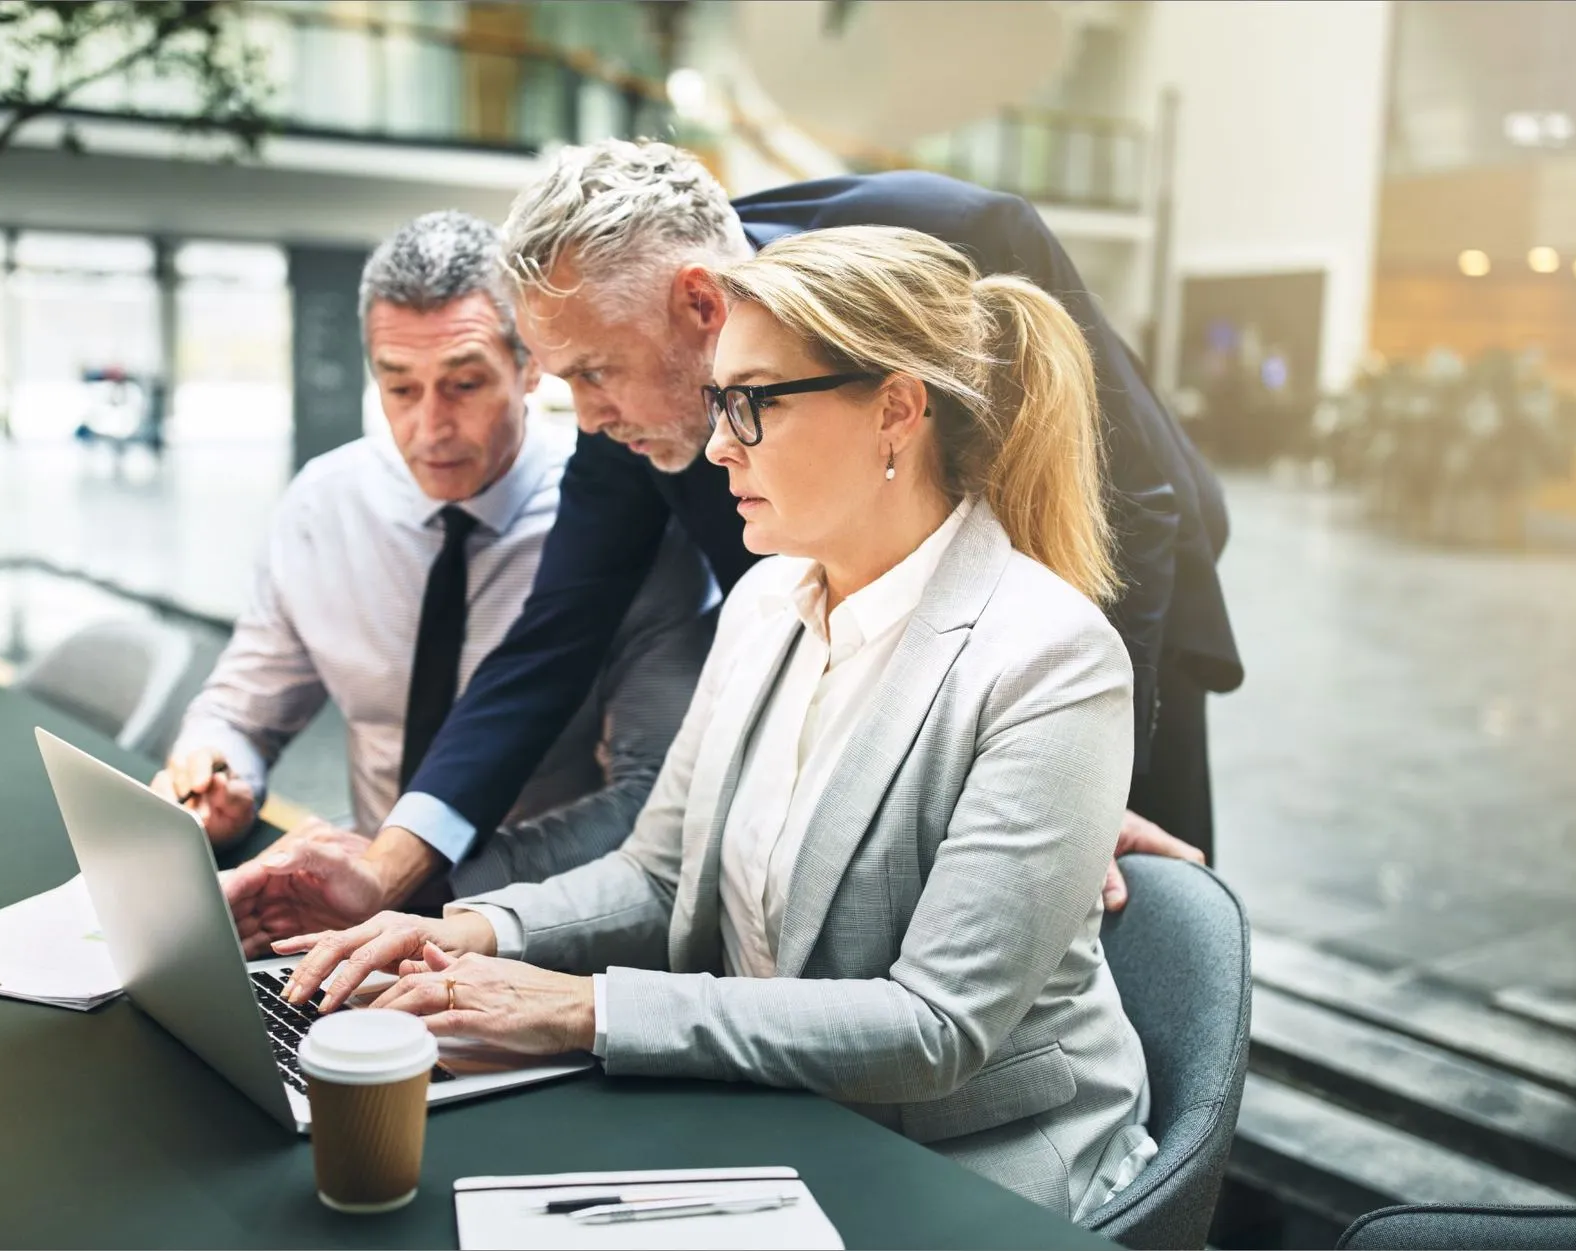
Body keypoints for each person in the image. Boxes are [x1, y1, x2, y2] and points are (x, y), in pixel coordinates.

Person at [279, 226, 1158, 1220]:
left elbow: (932, 1029)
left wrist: (582, 1009)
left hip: (968, 1165)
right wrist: (463, 934)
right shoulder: (762, 603)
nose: (714, 446)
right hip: (771, 1117)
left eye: (750, 405)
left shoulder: (1048, 658)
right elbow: (658, 875)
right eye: (713, 403)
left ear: (895, 412)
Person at [254, 141, 1241, 930]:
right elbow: (553, 636)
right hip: (876, 636)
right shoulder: (631, 396)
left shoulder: (952, 239)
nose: (586, 417)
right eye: (565, 382)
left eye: (596, 372)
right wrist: (390, 865)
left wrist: (1079, 771)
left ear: (698, 303)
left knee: (1120, 927)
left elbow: (1130, 510)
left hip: (1113, 622)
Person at [151, 210, 713, 954]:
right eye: (400, 388)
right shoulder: (326, 506)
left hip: (543, 930)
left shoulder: (630, 522)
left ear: (531, 364)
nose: (430, 427)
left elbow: (652, 800)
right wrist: (218, 771)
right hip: (344, 923)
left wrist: (428, 882)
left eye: (465, 383)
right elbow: (244, 709)